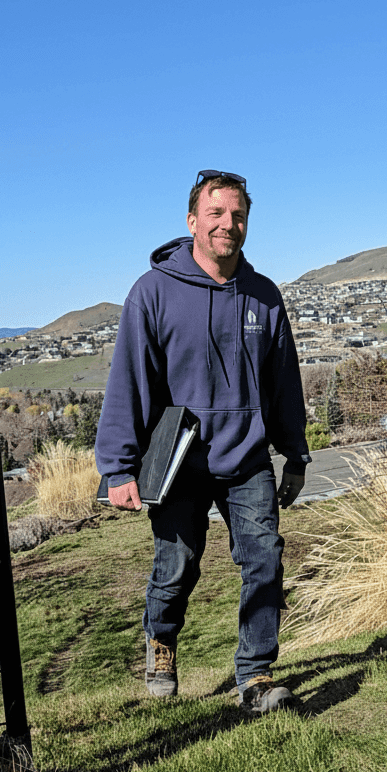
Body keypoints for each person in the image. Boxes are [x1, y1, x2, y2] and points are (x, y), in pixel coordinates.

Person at [95, 170, 310, 715]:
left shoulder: (263, 296)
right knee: (177, 567)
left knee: (264, 559)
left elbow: (284, 382)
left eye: (237, 215)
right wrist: (119, 469)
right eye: (216, 214)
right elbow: (129, 381)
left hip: (247, 457)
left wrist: (296, 452)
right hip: (177, 463)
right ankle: (161, 643)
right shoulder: (153, 292)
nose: (227, 224)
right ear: (193, 221)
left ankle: (256, 675)